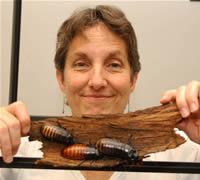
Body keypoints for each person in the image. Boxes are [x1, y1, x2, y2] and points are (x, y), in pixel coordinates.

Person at [0, 5, 199, 180]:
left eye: (113, 64)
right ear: (61, 79)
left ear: (133, 80)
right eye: (81, 64)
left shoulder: (182, 155)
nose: (97, 81)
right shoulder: (17, 151)